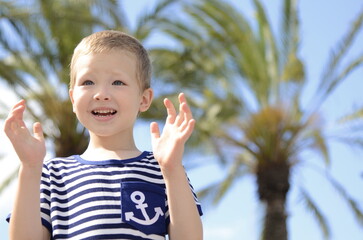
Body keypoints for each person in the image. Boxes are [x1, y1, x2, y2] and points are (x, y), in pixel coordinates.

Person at [4, 30, 203, 240]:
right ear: (73, 99)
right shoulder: (52, 175)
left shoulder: (164, 170)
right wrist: (30, 169)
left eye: (117, 82)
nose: (101, 94)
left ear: (144, 99)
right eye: (88, 82)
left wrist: (172, 169)